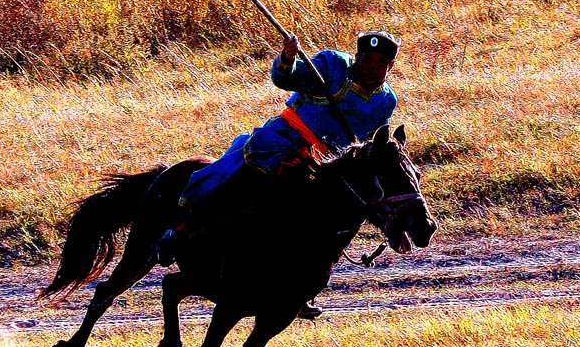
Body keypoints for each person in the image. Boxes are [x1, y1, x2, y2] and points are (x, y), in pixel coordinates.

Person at [156, 30, 401, 314]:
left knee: (333, 214)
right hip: (284, 140)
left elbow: (373, 141)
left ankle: (299, 287)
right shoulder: (331, 64)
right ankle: (182, 230)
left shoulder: (386, 101)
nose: (373, 67)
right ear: (357, 57)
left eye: (381, 62)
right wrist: (288, 58)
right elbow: (286, 78)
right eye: (368, 59)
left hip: (327, 162)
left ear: (390, 66)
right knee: (243, 176)